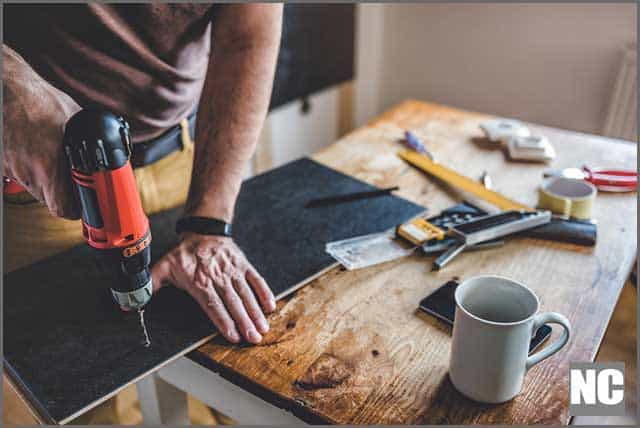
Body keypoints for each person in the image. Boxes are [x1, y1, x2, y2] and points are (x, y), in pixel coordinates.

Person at [3, 3, 283, 345]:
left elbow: (246, 37)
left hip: (188, 158)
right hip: (37, 178)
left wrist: (208, 223)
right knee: (62, 378)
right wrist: (9, 85)